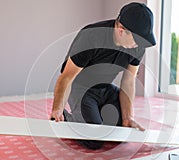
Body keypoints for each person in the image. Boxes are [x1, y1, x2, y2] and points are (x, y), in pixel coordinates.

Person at [50, 2, 156, 149]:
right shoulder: (91, 37)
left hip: (106, 89)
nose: (139, 45)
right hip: (81, 88)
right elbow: (67, 77)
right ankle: (70, 118)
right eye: (137, 40)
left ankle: (95, 116)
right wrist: (57, 109)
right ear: (121, 30)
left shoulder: (138, 47)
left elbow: (128, 82)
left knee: (120, 134)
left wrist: (127, 118)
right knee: (94, 141)